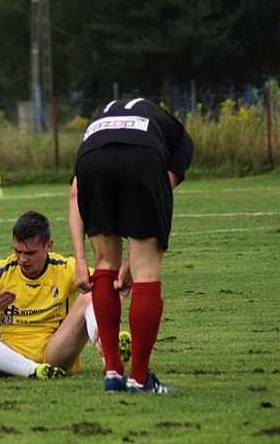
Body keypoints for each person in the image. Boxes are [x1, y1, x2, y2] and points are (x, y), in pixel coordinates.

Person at [69, 97, 193, 394]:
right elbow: (158, 190)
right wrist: (136, 263)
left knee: (105, 264)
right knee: (148, 268)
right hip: (144, 158)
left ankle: (112, 371)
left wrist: (81, 260)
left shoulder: (96, 127)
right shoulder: (180, 139)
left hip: (93, 160)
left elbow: (75, 195)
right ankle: (139, 379)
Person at [0, 211, 129, 380]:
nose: (22, 259)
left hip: (55, 354)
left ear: (48, 246)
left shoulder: (65, 268)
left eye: (30, 253)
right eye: (17, 251)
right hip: (8, 356)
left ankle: (109, 346)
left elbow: (111, 288)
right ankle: (32, 371)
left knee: (93, 293)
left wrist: (106, 319)